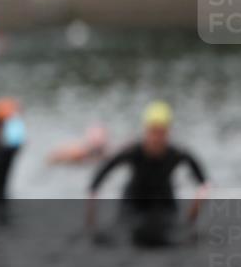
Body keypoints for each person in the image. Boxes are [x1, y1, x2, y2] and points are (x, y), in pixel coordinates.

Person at [86, 101, 209, 247]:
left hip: (164, 203)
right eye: (153, 132)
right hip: (133, 203)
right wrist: (92, 204)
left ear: (168, 132)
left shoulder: (176, 154)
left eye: (161, 132)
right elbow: (102, 173)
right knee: (132, 232)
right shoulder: (133, 152)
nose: (156, 138)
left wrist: (196, 207)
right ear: (146, 131)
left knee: (172, 231)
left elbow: (203, 181)